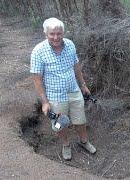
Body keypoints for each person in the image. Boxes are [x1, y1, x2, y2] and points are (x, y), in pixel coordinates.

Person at [30, 17, 96, 160]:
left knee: (80, 119)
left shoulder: (70, 45)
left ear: (63, 33)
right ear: (45, 34)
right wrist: (45, 102)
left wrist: (83, 85)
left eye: (59, 33)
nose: (56, 37)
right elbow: (37, 79)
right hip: (55, 96)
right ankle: (66, 144)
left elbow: (76, 66)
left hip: (73, 90)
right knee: (60, 124)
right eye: (52, 34)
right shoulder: (38, 51)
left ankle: (84, 142)